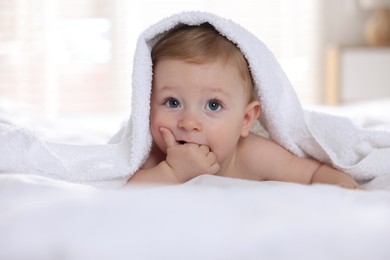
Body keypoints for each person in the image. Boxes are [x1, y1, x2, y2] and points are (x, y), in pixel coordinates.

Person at [128, 23, 361, 189]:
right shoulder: (154, 157)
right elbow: (121, 192)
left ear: (246, 119)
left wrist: (345, 188)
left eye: (213, 105)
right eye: (173, 102)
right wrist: (172, 172)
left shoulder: (251, 154)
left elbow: (313, 173)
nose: (189, 123)